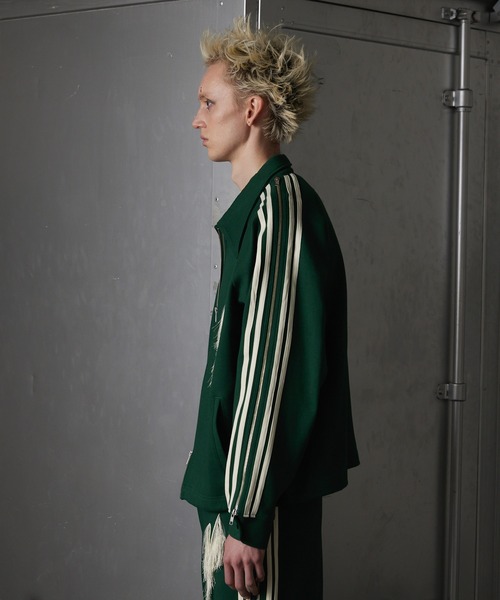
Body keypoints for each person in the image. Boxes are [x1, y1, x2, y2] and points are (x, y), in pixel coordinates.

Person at [180, 16, 359, 600]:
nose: (197, 119)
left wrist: (247, 519)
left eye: (209, 103)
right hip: (241, 504)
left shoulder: (276, 213)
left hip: (255, 514)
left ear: (252, 109)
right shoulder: (265, 208)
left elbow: (271, 375)